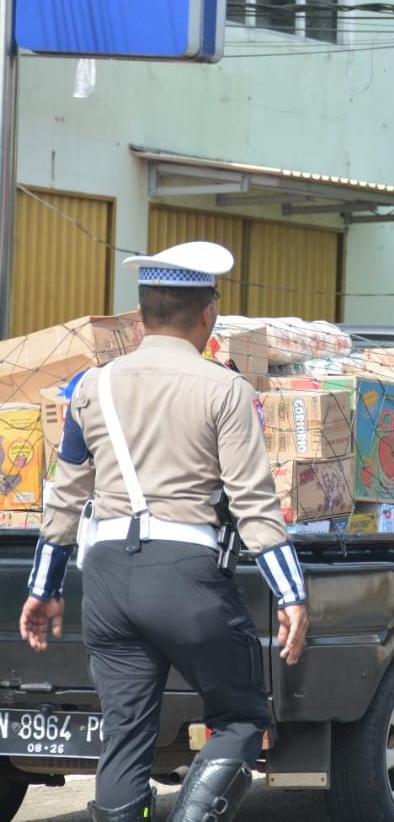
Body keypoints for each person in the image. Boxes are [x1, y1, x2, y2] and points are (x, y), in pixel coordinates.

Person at [18, 241, 310, 822]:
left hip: (104, 579)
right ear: (208, 314)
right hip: (186, 579)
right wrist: (291, 592)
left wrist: (44, 590)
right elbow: (254, 503)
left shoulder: (89, 388)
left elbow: (66, 497)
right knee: (242, 717)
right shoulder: (227, 391)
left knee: (124, 733)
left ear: (141, 314)